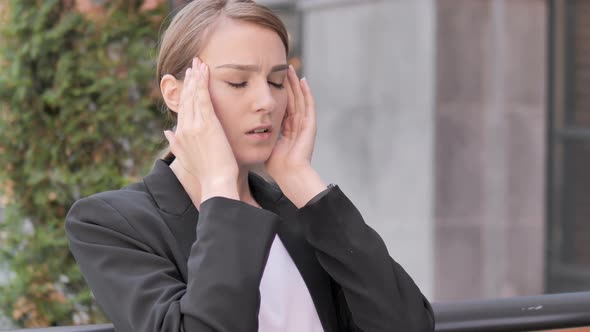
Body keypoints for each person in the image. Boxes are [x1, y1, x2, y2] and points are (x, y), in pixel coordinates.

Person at [65, 0, 435, 331]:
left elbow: (409, 324)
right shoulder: (109, 222)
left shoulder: (302, 214)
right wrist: (220, 187)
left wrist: (303, 183)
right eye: (238, 82)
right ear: (175, 94)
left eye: (276, 81)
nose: (266, 101)